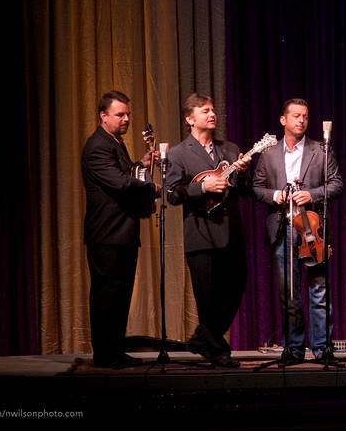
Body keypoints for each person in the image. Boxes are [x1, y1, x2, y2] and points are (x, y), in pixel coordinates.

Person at [253, 98, 343, 361]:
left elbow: (337, 184)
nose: (301, 120)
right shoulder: (269, 153)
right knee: (288, 293)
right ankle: (293, 348)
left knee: (319, 289)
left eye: (305, 116)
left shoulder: (321, 150)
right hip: (282, 228)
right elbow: (256, 188)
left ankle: (322, 347)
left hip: (312, 228)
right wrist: (275, 196)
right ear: (283, 120)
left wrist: (311, 194)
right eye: (295, 116)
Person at [166, 93, 251, 368]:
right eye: (205, 111)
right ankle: (217, 350)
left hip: (231, 234)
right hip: (200, 235)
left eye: (213, 109)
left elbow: (244, 189)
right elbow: (173, 194)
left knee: (236, 287)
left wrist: (243, 172)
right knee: (207, 295)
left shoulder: (230, 149)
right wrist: (203, 187)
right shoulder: (179, 153)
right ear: (190, 119)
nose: (212, 114)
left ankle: (203, 338)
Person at [82, 90, 161, 369]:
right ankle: (105, 355)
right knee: (108, 294)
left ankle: (114, 350)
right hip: (107, 234)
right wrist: (154, 187)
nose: (126, 118)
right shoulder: (97, 146)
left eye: (128, 114)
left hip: (122, 233)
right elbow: (120, 183)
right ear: (104, 116)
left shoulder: (115, 143)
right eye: (120, 114)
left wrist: (141, 164)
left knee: (121, 294)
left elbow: (126, 175)